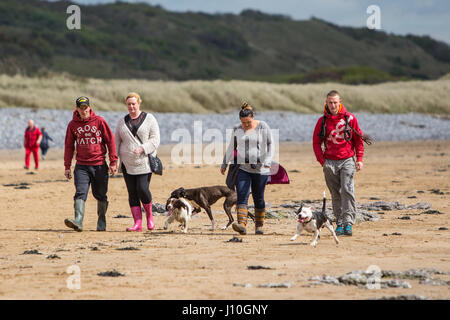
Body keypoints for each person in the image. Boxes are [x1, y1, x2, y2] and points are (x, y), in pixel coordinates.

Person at [312, 90, 364, 236]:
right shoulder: (321, 121)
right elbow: (316, 143)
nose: (333, 105)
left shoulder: (351, 118)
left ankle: (348, 223)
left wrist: (359, 159)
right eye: (330, 102)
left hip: (347, 160)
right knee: (335, 193)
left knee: (347, 190)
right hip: (329, 162)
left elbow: (358, 140)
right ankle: (340, 222)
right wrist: (322, 161)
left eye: (335, 102)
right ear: (326, 103)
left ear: (339, 102)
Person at [63, 96, 118, 232]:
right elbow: (69, 146)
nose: (84, 110)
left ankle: (101, 220)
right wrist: (67, 166)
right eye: (81, 108)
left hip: (99, 164)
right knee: (80, 193)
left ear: (89, 107)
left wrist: (113, 161)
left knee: (100, 194)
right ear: (76, 109)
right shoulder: (72, 125)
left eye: (85, 107)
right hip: (81, 165)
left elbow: (110, 141)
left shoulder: (99, 121)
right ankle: (78, 221)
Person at [221, 102, 274, 235]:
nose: (245, 125)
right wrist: (224, 163)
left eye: (248, 122)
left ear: (253, 117)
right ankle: (242, 225)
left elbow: (271, 144)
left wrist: (268, 161)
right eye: (243, 122)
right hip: (243, 167)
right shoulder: (237, 129)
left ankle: (259, 226)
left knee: (258, 197)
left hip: (261, 169)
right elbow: (231, 147)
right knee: (242, 196)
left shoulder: (263, 126)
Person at [115, 92, 160, 232]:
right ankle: (137, 224)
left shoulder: (150, 119)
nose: (131, 106)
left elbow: (155, 139)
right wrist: (114, 160)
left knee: (142, 189)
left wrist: (143, 148)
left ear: (139, 103)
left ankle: (150, 217)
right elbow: (116, 142)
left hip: (144, 162)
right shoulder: (121, 121)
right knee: (132, 193)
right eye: (129, 104)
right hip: (127, 164)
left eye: (133, 103)